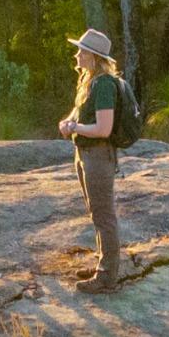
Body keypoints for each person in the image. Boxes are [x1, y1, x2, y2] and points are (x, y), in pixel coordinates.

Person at [56, 28, 127, 292]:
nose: (77, 55)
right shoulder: (89, 80)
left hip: (98, 155)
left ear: (94, 57)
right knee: (97, 212)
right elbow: (81, 114)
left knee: (103, 215)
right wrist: (69, 122)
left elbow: (103, 129)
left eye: (82, 51)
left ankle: (107, 277)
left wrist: (75, 128)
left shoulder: (104, 84)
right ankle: (103, 265)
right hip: (86, 153)